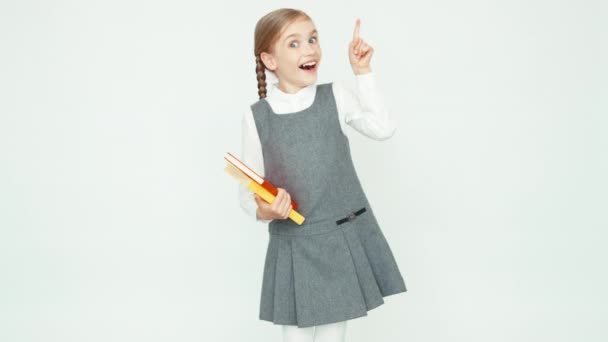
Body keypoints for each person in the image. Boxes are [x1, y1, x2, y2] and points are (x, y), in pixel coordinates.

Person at [238, 8, 407, 342]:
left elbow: (382, 128)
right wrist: (265, 210)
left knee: (333, 336)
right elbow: (248, 190)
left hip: (339, 238)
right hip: (293, 244)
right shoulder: (257, 117)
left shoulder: (336, 96)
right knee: (295, 337)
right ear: (270, 61)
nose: (310, 49)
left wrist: (363, 72)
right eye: (295, 43)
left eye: (313, 38)